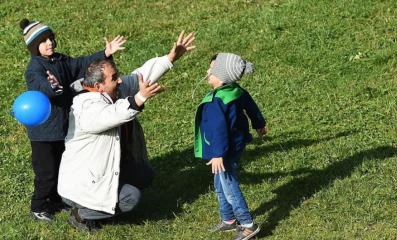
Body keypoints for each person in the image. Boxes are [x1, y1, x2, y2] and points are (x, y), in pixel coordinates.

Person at [57, 31, 196, 232]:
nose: (120, 81)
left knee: (144, 174)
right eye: (114, 78)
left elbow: (140, 76)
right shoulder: (84, 107)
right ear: (98, 86)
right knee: (131, 198)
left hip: (101, 171)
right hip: (82, 185)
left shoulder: (112, 90)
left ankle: (101, 205)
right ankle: (81, 214)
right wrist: (140, 98)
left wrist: (170, 58)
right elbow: (112, 115)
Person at [19, 18, 126, 222]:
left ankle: (56, 199)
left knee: (61, 166)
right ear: (34, 47)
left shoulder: (60, 60)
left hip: (63, 128)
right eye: (44, 41)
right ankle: (38, 206)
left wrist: (105, 54)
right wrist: (52, 86)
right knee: (46, 172)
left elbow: (81, 64)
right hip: (43, 133)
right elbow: (42, 89)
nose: (49, 43)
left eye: (51, 38)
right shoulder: (34, 70)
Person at [193, 53, 267, 240]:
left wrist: (218, 154)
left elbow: (219, 130)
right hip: (235, 144)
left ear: (221, 75)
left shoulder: (217, 102)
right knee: (220, 182)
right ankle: (228, 219)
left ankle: (248, 224)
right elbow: (251, 106)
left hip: (224, 150)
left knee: (228, 185)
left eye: (211, 69)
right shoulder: (236, 91)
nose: (207, 71)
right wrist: (259, 123)